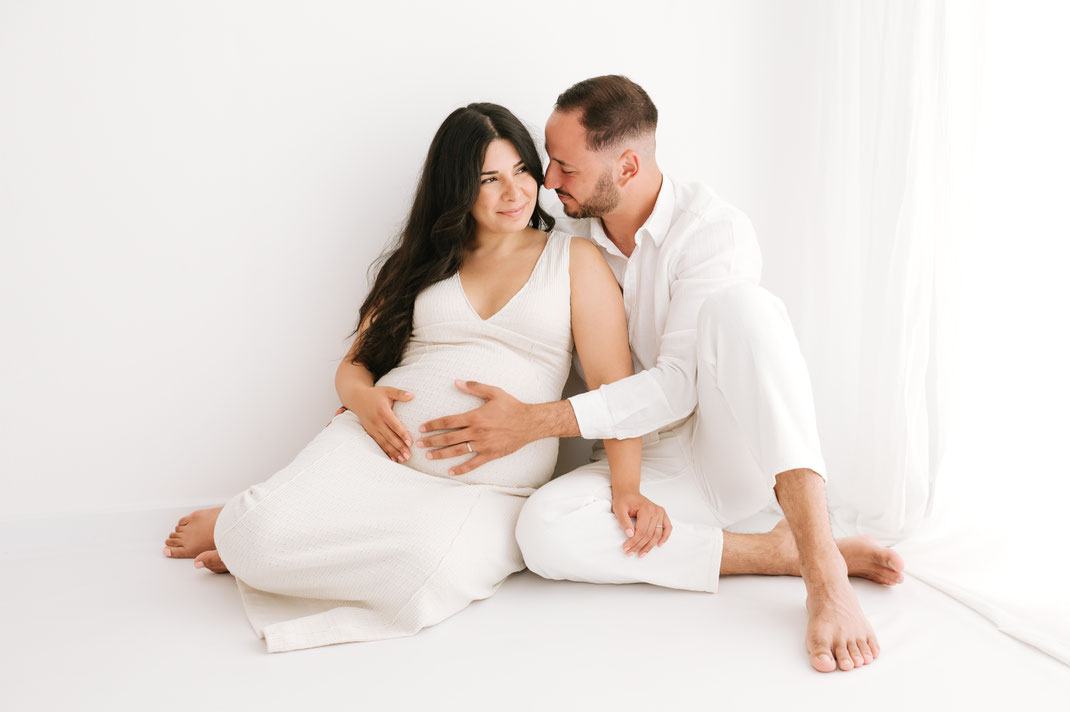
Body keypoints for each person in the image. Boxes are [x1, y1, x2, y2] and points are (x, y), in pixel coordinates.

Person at [410, 76, 906, 674]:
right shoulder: (562, 230)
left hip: (726, 451)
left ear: (626, 165)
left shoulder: (712, 230)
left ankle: (824, 572)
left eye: (564, 167)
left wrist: (534, 424)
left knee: (743, 309)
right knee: (542, 532)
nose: (547, 183)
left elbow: (678, 385)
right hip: (642, 463)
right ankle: (776, 551)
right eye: (549, 162)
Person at [160, 102, 652, 653]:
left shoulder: (575, 260)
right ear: (457, 187)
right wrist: (365, 401)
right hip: (375, 450)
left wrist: (626, 488)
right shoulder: (423, 261)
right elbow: (354, 366)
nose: (513, 193)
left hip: (490, 486)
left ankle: (279, 547)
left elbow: (617, 389)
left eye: (521, 171)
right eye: (489, 179)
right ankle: (246, 531)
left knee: (425, 572)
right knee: (252, 536)